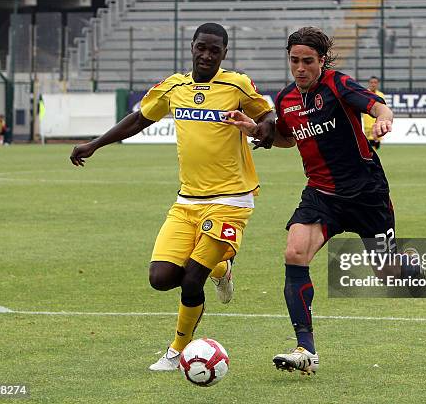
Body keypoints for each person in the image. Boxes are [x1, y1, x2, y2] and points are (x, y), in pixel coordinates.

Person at [69, 23, 275, 371]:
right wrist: (95, 144)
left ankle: (178, 349)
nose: (206, 55)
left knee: (193, 278)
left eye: (214, 50)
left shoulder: (237, 84)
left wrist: (264, 128)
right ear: (192, 47)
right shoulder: (174, 87)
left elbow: (266, 114)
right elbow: (138, 120)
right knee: (161, 278)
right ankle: (222, 267)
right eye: (201, 48)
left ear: (225, 53)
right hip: (187, 201)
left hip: (232, 199)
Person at [223, 27, 424, 375]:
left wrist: (384, 121)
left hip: (366, 194)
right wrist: (254, 130)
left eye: (308, 61)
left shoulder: (336, 84)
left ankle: (410, 265)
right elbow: (287, 139)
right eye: (294, 61)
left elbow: (377, 106)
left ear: (322, 61)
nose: (300, 68)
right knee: (294, 253)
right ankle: (306, 349)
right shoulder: (285, 100)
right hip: (321, 194)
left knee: (386, 271)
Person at [362, 76, 386, 150]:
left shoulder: (381, 95)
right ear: (369, 83)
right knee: (369, 144)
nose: (373, 84)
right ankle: (372, 160)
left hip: (378, 122)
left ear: (377, 84)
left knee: (377, 145)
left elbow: (383, 109)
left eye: (375, 82)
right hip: (368, 123)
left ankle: (373, 159)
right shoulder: (364, 93)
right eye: (371, 82)